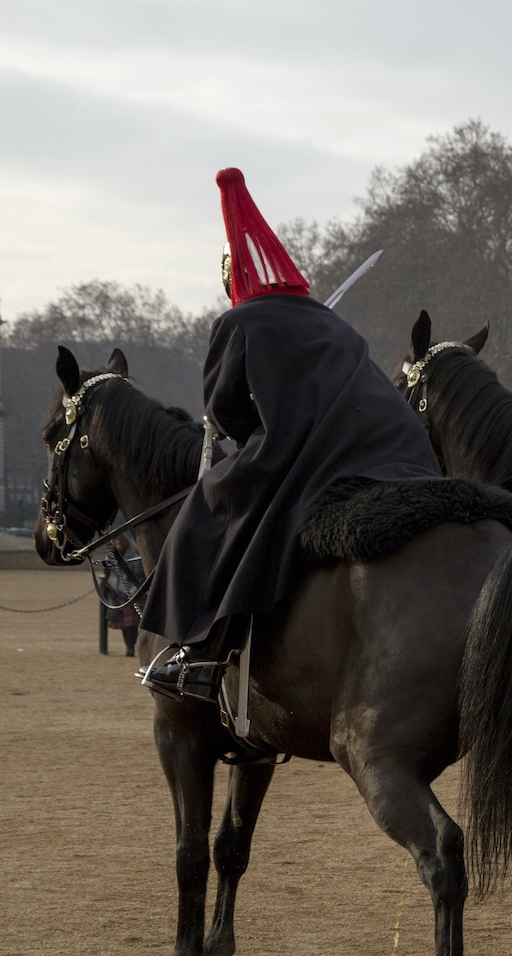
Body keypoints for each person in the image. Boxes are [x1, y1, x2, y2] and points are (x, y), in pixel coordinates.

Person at [140, 169, 441, 702]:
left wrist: (241, 422)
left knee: (206, 505)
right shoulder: (333, 324)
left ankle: (203, 652)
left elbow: (228, 416)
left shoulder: (239, 323)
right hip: (403, 451)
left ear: (235, 281)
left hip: (322, 459)